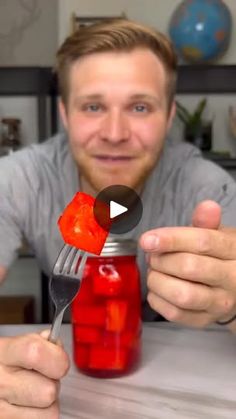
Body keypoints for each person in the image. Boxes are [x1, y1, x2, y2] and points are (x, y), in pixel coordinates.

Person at [0, 17, 236, 417]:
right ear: (64, 113)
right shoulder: (21, 178)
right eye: (93, 106)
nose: (114, 132)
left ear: (168, 115)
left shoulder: (205, 188)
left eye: (139, 106)